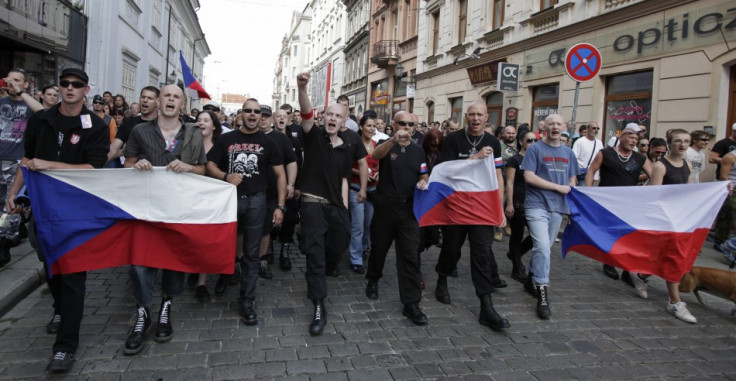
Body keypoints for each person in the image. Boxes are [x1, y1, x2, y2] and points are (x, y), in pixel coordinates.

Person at [6, 68, 109, 372]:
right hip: (43, 207)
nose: (69, 89)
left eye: (76, 85)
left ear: (86, 89)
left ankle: (65, 347)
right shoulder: (41, 120)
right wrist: (12, 194)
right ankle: (59, 308)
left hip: (77, 210)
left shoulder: (96, 125)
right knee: (51, 266)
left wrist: (48, 165)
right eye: (64, 84)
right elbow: (27, 159)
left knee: (73, 275)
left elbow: (93, 168)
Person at [122, 85, 207, 355]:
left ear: (182, 104)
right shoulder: (140, 131)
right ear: (158, 101)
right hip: (146, 209)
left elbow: (202, 170)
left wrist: (188, 167)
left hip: (179, 209)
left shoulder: (192, 132)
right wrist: (135, 166)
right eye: (166, 95)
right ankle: (143, 312)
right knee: (139, 263)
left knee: (174, 262)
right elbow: (126, 164)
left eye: (176, 97)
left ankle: (165, 307)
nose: (171, 100)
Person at [206, 98, 285, 326]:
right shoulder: (227, 138)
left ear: (261, 116)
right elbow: (210, 164)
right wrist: (225, 176)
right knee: (224, 244)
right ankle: (224, 275)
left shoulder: (268, 142)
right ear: (241, 114)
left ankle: (247, 301)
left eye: (257, 112)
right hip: (229, 200)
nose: (252, 115)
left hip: (257, 201)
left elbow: (280, 175)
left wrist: (280, 206)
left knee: (252, 253)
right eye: (248, 111)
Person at [433, 102, 510, 331]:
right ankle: (442, 278)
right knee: (452, 249)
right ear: (466, 117)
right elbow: (444, 170)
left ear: (487, 117)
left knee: (482, 253)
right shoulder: (453, 140)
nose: (476, 118)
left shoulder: (493, 142)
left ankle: (487, 307)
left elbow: (498, 176)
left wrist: (499, 207)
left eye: (480, 115)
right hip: (456, 204)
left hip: (482, 207)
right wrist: (474, 158)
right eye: (472, 114)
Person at [295, 72, 353, 336]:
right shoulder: (314, 135)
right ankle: (319, 304)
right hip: (313, 205)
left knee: (339, 243)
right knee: (315, 257)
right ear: (323, 118)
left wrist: (345, 211)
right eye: (329, 114)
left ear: (343, 122)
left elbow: (343, 178)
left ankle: (320, 263)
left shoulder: (347, 147)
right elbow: (306, 113)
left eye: (337, 116)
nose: (332, 118)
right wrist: (302, 87)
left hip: (336, 207)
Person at [364, 111, 429, 325]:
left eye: (412, 124)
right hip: (385, 207)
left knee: (410, 255)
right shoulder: (387, 143)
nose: (407, 127)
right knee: (379, 249)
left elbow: (423, 172)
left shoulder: (418, 150)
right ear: (394, 124)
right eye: (403, 123)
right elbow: (375, 156)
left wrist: (423, 181)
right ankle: (373, 279)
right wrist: (392, 140)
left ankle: (411, 304)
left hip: (409, 209)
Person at [630, 129, 698, 323]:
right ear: (670, 143)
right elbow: (655, 195)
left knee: (667, 256)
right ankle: (675, 301)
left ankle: (641, 275)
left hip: (682, 217)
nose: (683, 145)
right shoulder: (660, 165)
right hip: (667, 220)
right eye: (678, 141)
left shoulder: (688, 164)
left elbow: (690, 190)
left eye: (686, 141)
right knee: (673, 258)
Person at [520, 113, 578, 320]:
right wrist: (558, 187)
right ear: (544, 127)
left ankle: (529, 278)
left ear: (565, 127)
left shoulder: (569, 152)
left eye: (558, 124)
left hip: (559, 208)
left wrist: (572, 207)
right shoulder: (535, 149)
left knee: (544, 247)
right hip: (536, 204)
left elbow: (572, 180)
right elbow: (528, 176)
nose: (555, 127)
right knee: (543, 247)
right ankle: (542, 294)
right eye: (551, 123)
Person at [586, 125, 652, 284]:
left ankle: (627, 270)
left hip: (629, 203)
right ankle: (609, 262)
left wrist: (651, 194)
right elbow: (591, 171)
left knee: (629, 236)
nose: (633, 141)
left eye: (636, 139)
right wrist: (587, 194)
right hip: (608, 202)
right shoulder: (605, 154)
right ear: (621, 137)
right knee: (611, 234)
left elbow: (654, 175)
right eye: (630, 137)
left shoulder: (640, 158)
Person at [0, 68, 43, 267]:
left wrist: (21, 92)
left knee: (11, 202)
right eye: (10, 80)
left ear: (26, 84)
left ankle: (5, 242)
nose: (12, 83)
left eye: (17, 80)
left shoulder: (28, 106)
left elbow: (42, 111)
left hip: (17, 160)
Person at [256, 104, 293, 278]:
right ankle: (240, 262)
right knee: (242, 230)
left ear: (271, 118)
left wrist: (290, 184)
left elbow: (292, 162)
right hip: (250, 191)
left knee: (266, 229)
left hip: (271, 192)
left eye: (265, 115)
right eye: (259, 115)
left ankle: (262, 260)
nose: (262, 118)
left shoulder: (281, 138)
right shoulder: (248, 136)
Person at [191, 110, 224, 301]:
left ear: (214, 126)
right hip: (190, 199)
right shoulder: (188, 143)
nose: (201, 123)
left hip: (211, 201)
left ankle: (201, 283)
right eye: (199, 120)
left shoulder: (220, 147)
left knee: (205, 241)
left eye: (206, 120)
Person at [505, 130, 537, 283]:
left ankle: (514, 254)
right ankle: (517, 268)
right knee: (516, 236)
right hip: (518, 201)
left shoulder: (537, 159)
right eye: (529, 140)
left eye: (535, 140)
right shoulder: (514, 160)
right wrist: (510, 203)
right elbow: (509, 183)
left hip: (535, 202)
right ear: (521, 142)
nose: (532, 144)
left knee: (536, 237)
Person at [348, 114, 378, 273]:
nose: (371, 129)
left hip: (373, 191)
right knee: (358, 226)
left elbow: (378, 165)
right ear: (361, 127)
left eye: (374, 126)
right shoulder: (354, 144)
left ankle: (364, 249)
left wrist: (377, 174)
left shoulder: (376, 144)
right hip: (356, 189)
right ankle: (355, 259)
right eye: (368, 126)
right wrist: (362, 173)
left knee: (368, 224)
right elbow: (346, 166)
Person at [107, 86, 160, 167]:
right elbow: (113, 149)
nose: (145, 100)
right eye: (143, 97)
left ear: (157, 102)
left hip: (156, 172)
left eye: (149, 98)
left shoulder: (161, 124)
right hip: (132, 172)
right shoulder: (129, 122)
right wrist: (93, 167)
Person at [572, 121, 603, 185]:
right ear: (588, 129)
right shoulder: (580, 142)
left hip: (596, 176)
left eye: (598, 128)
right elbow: (573, 159)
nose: (596, 130)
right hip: (583, 175)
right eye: (594, 128)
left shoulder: (599, 143)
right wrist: (574, 176)